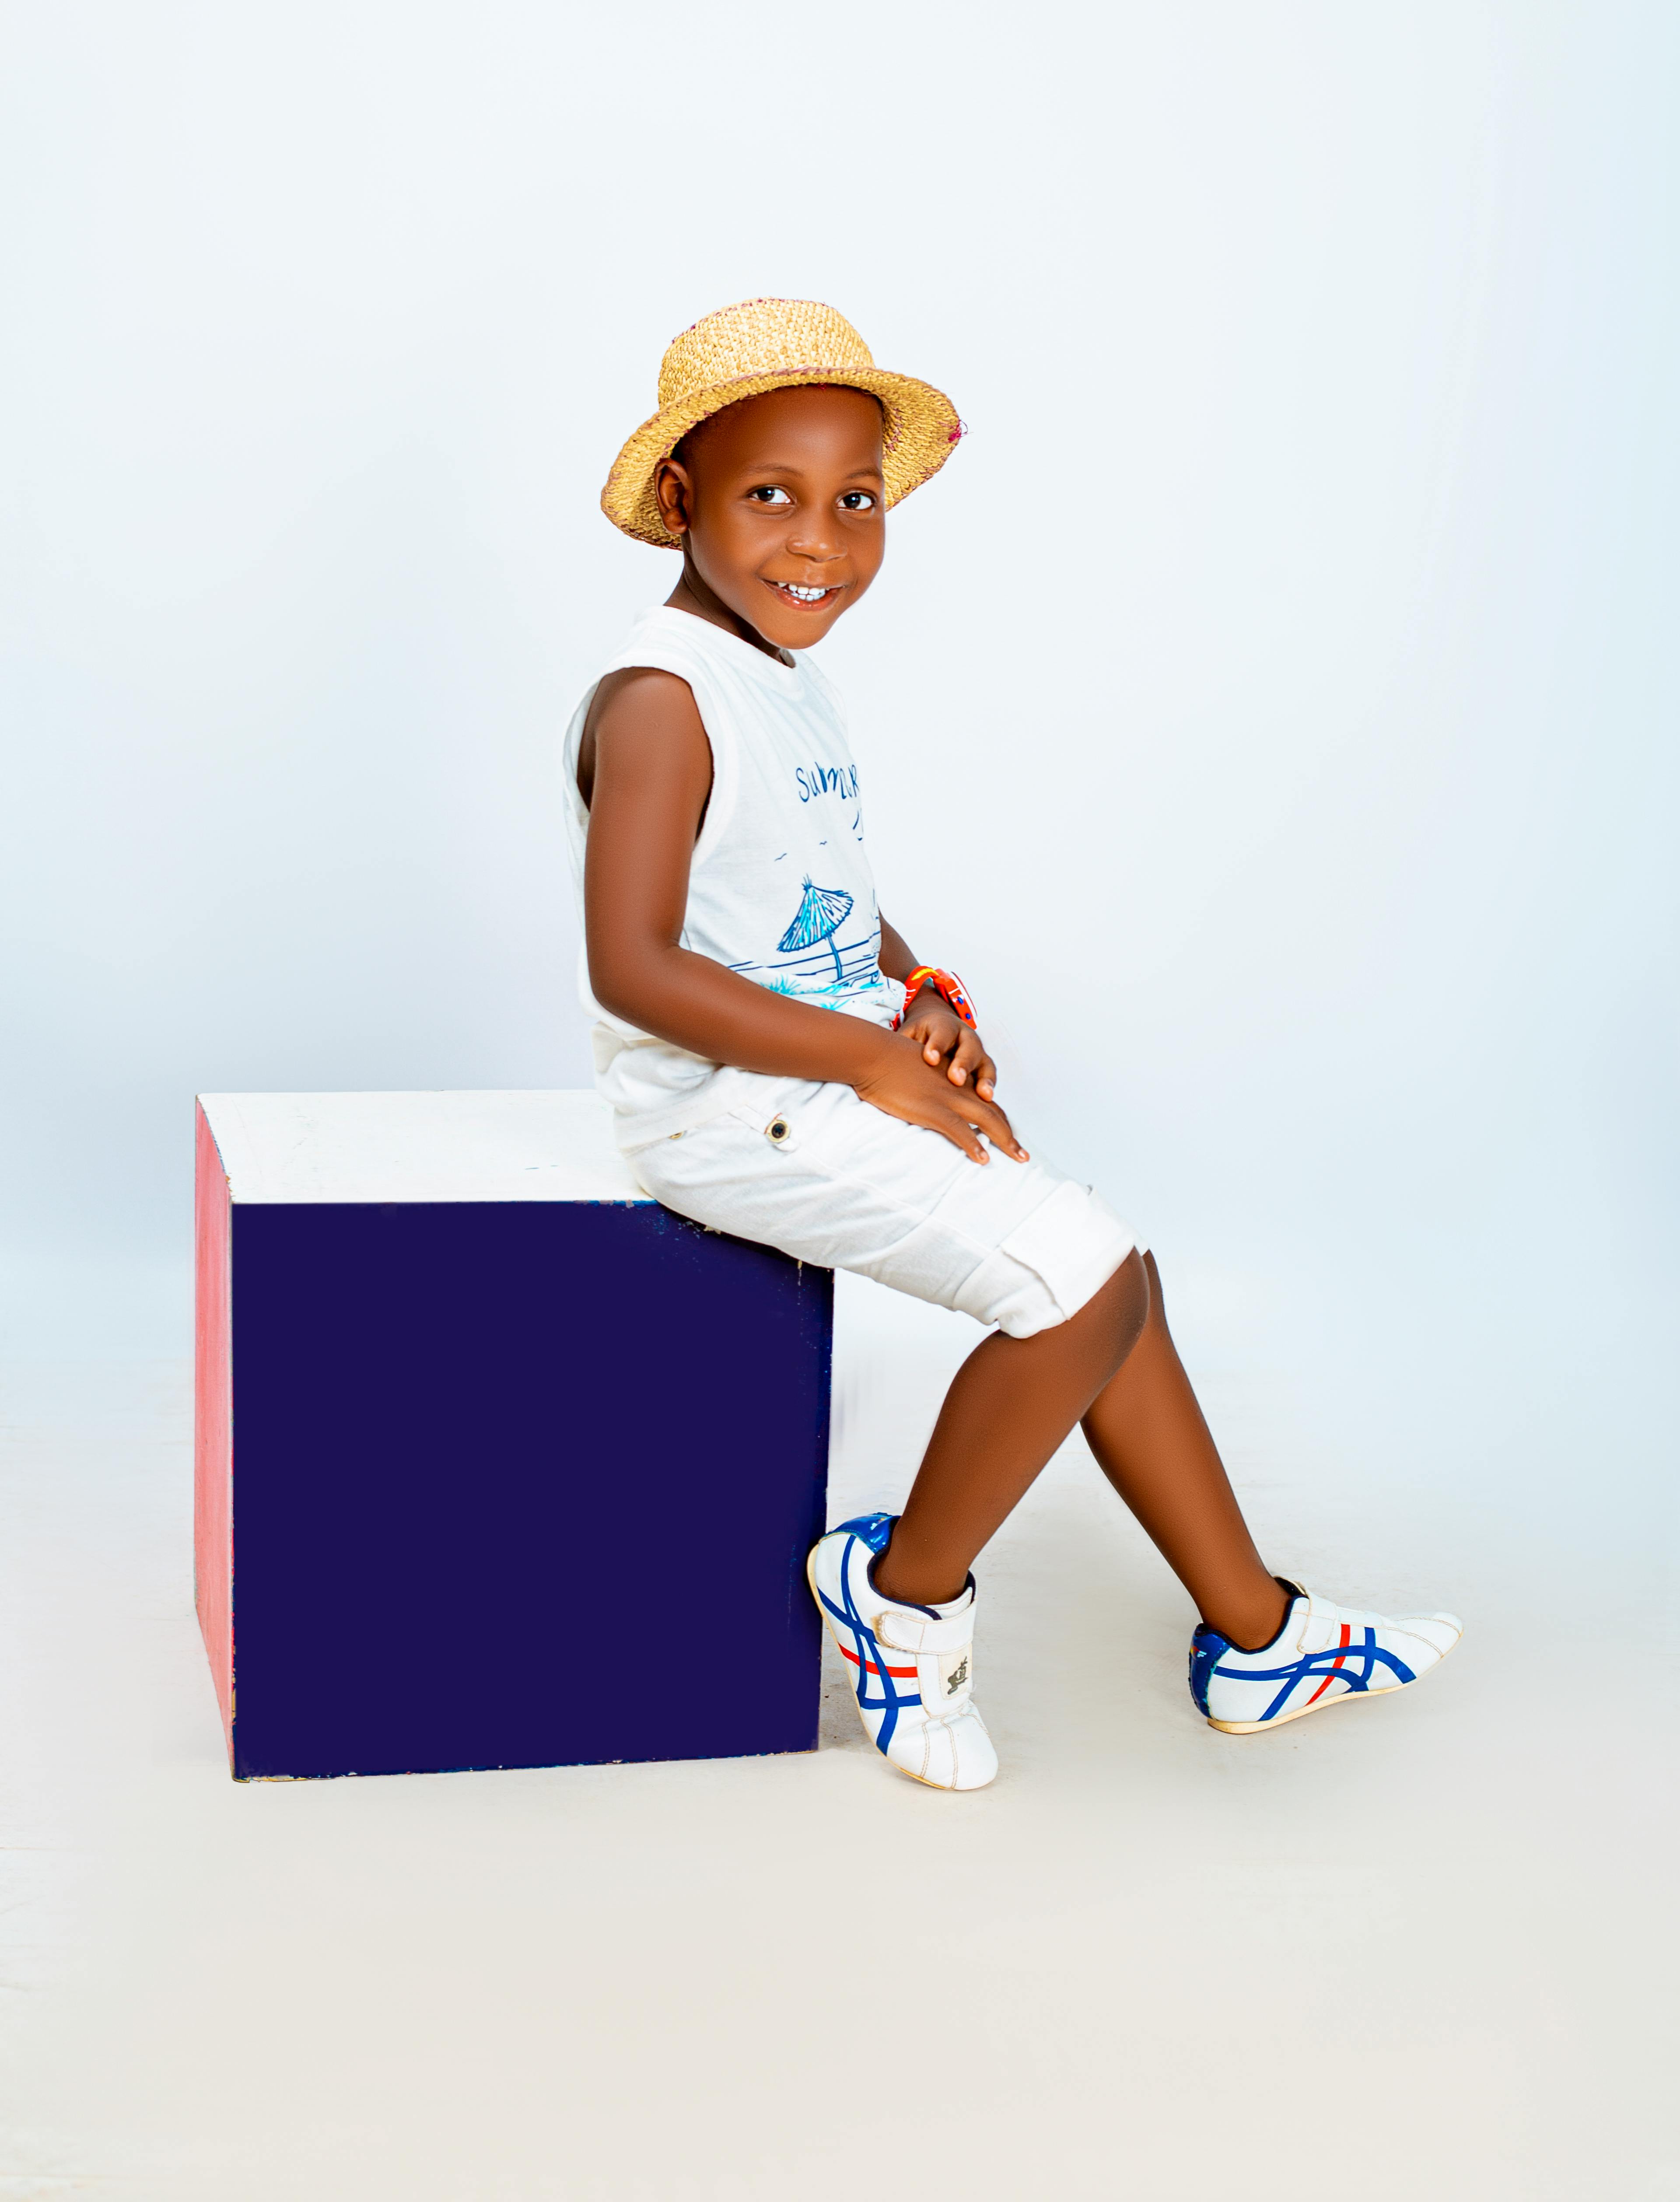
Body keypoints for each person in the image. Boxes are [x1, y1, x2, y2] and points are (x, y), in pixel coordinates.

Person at [564, 297, 1460, 1792]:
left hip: (817, 1069)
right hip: (728, 1106)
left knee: (1118, 1282)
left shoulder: (788, 680)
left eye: (856, 502)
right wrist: (859, 1061)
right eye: (769, 497)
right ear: (681, 501)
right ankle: (903, 1597)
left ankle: (1262, 1638)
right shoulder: (662, 696)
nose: (820, 543)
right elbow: (634, 966)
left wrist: (920, 994)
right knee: (1077, 1280)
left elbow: (816, 904)